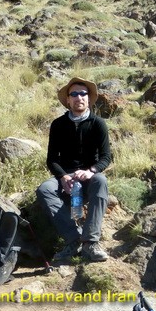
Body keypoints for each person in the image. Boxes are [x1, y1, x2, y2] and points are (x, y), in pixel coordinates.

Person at [36, 77, 112, 262]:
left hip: (88, 177)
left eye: (83, 93)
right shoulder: (58, 124)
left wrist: (91, 171)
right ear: (68, 100)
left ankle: (90, 243)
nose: (79, 97)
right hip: (65, 177)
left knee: (101, 181)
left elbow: (106, 157)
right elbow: (52, 160)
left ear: (89, 98)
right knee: (44, 189)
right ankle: (74, 239)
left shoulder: (98, 124)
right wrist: (62, 177)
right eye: (74, 94)